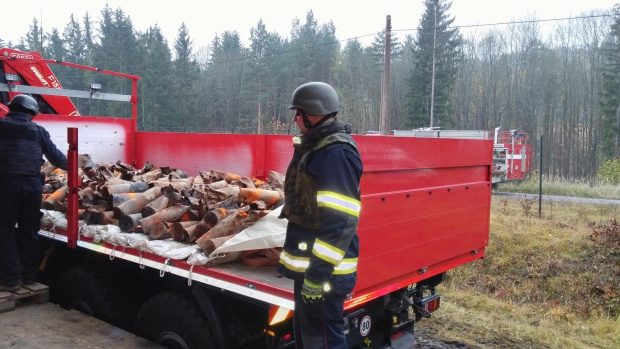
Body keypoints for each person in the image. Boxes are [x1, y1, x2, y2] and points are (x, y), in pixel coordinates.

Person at [278, 82, 363, 349]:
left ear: (313, 113)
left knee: (324, 340)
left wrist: (317, 276)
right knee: (310, 339)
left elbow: (340, 223)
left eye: (298, 113)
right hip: (312, 270)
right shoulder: (318, 147)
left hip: (325, 275)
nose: (295, 119)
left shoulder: (335, 153)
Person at [0, 94, 67, 292]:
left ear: (12, 109)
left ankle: (11, 280)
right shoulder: (38, 131)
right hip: (32, 187)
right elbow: (59, 160)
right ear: (31, 112)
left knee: (4, 232)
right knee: (29, 231)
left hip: (6, 185)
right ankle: (28, 276)